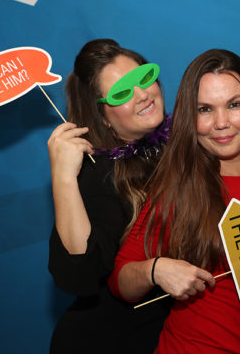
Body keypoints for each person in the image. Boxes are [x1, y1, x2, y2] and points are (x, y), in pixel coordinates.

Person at [108, 48, 240, 353]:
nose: (221, 122)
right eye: (205, 109)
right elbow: (120, 281)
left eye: (234, 105)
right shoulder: (180, 185)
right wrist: (156, 270)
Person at [47, 39, 172, 354]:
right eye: (121, 93)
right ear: (103, 117)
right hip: (107, 341)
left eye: (144, 77)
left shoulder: (178, 148)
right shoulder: (101, 174)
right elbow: (80, 277)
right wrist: (64, 178)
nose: (142, 94)